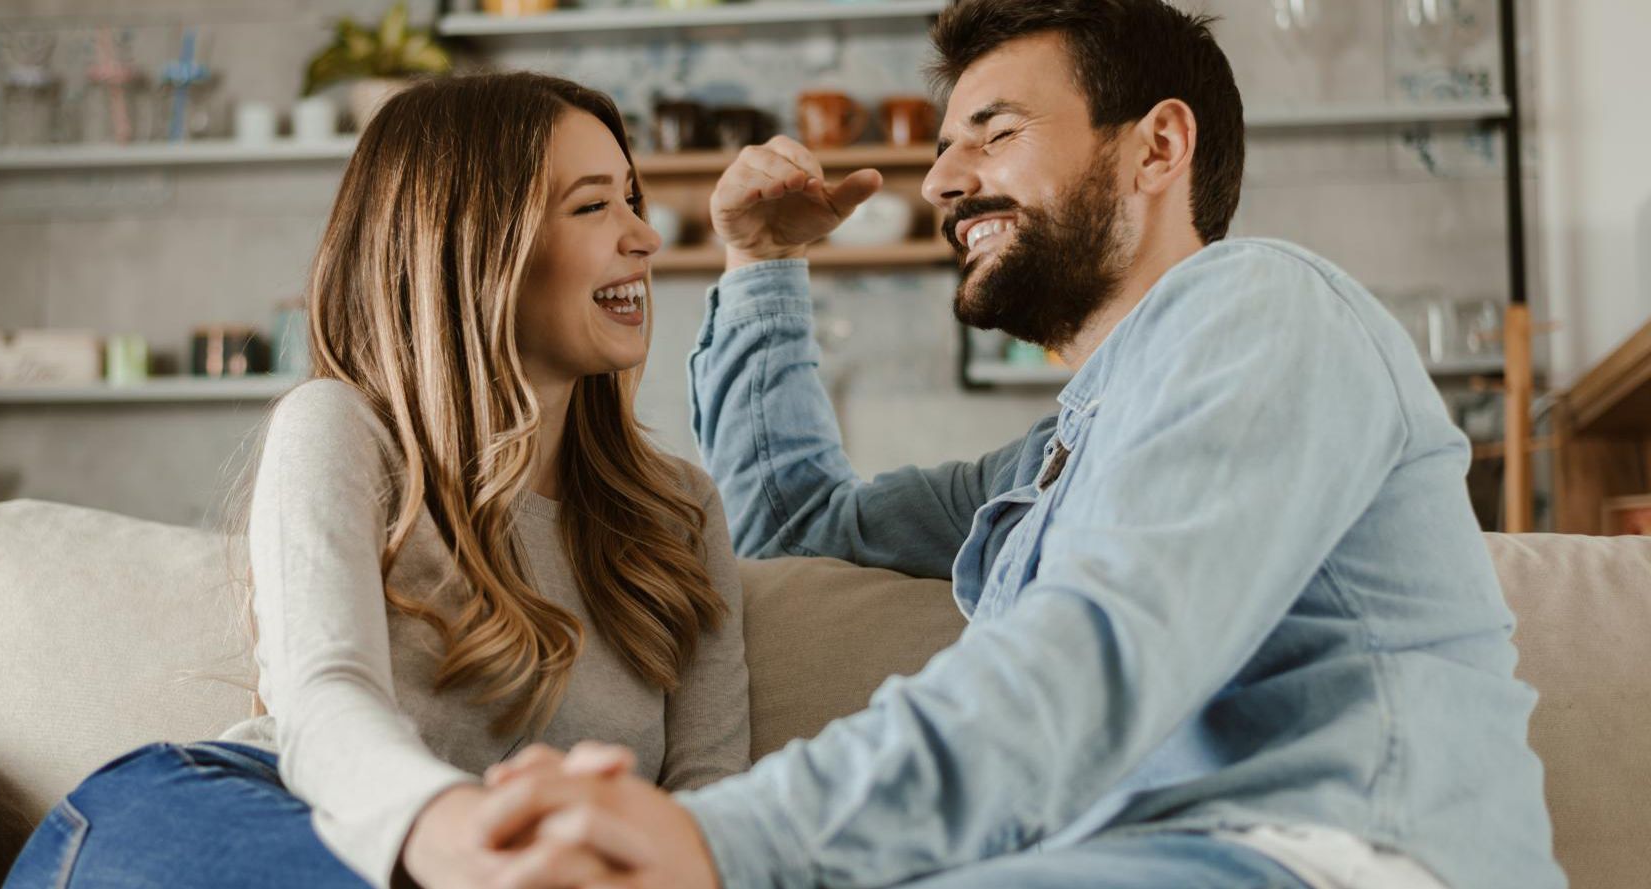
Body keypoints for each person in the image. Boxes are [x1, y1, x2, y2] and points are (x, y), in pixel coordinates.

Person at [472, 2, 1564, 888]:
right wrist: (761, 263)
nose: (943, 181)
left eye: (994, 132)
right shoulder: (1065, 449)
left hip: (1332, 858)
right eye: (946, 147)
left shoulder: (1266, 309)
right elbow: (799, 532)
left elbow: (1090, 661)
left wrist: (721, 843)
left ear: (1158, 147)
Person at [0, 72, 750, 889]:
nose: (643, 237)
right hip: (225, 818)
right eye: (593, 205)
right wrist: (466, 840)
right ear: (473, 248)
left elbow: (713, 797)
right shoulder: (342, 429)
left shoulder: (679, 512)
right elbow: (324, 701)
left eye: (632, 200)